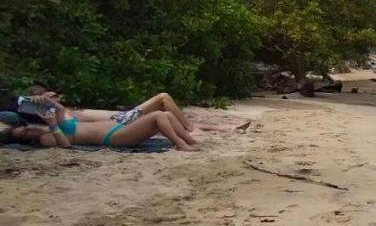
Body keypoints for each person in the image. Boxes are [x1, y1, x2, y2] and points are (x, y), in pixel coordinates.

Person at [2, 95, 199, 150]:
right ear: (29, 141)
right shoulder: (47, 138)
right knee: (158, 116)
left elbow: (61, 110)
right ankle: (181, 144)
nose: (29, 131)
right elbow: (66, 145)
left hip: (119, 128)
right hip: (113, 137)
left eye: (26, 129)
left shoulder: (55, 123)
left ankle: (189, 141)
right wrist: (53, 125)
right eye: (25, 135)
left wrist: (45, 101)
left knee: (166, 115)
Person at [27, 87, 245, 133]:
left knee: (167, 106)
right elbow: (49, 122)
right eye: (51, 96)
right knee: (163, 97)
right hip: (121, 121)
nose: (57, 97)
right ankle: (190, 128)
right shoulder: (55, 113)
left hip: (122, 117)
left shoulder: (64, 110)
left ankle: (226, 128)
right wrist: (42, 102)